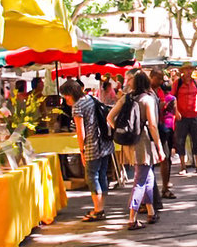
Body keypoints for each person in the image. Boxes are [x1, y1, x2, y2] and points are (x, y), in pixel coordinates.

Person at [108, 70, 164, 230]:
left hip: (129, 142)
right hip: (143, 143)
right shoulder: (148, 99)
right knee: (140, 180)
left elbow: (109, 118)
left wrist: (124, 132)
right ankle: (132, 218)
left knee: (149, 177)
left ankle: (151, 212)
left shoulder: (126, 97)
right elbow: (152, 125)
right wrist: (159, 147)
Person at [63, 80, 114, 223]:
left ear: (70, 94)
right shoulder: (91, 98)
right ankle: (100, 207)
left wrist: (82, 150)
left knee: (91, 177)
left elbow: (81, 131)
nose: (64, 98)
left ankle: (98, 210)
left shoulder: (77, 106)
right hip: (104, 142)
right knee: (102, 174)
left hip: (92, 145)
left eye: (65, 95)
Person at [173, 62, 197, 175]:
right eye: (186, 69)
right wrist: (176, 112)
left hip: (195, 116)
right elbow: (172, 98)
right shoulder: (177, 83)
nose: (189, 71)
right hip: (181, 117)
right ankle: (183, 166)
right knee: (180, 141)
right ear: (182, 71)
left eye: (190, 69)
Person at [149, 68, 176, 199]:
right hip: (149, 129)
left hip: (161, 126)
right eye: (158, 78)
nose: (161, 81)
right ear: (151, 76)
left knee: (165, 157)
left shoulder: (158, 91)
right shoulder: (146, 91)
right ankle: (151, 192)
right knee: (150, 162)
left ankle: (165, 187)